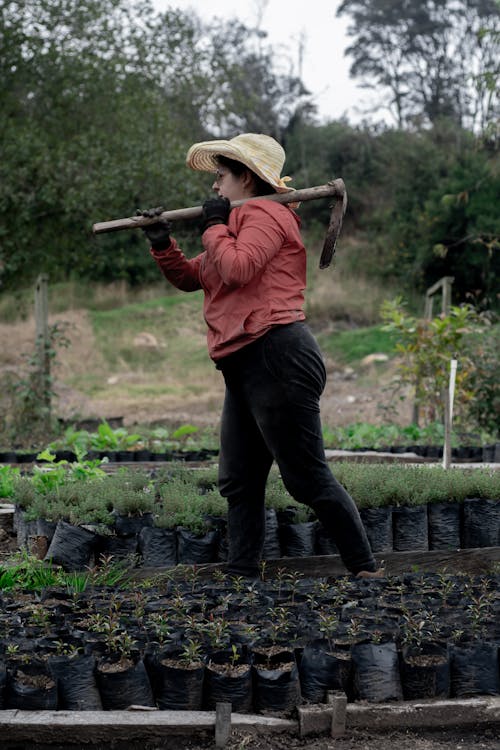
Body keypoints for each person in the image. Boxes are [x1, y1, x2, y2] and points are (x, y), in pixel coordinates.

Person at [138, 133, 382, 580]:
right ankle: (241, 574)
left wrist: (212, 227)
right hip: (244, 362)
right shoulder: (237, 221)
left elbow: (238, 268)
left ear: (246, 178)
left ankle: (366, 573)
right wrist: (162, 244)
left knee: (306, 478)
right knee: (240, 478)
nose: (215, 187)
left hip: (276, 353)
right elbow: (198, 276)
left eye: (222, 176)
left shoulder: (267, 215)